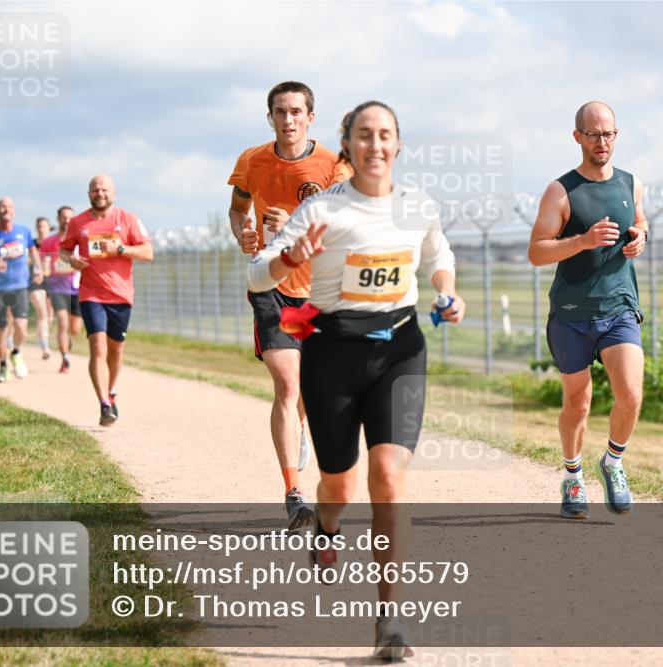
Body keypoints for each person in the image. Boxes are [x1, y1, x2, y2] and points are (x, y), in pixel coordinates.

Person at [248, 100, 464, 659]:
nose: (375, 145)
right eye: (363, 135)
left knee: (389, 475)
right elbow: (258, 272)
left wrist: (446, 289)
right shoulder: (322, 211)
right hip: (332, 352)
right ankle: (326, 525)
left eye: (385, 135)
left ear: (397, 145)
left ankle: (389, 621)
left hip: (400, 349)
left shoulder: (417, 205)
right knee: (340, 486)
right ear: (347, 145)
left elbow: (440, 253)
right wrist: (290, 255)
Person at [227, 80, 351, 530]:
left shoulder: (333, 165)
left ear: (310, 116)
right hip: (270, 284)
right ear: (270, 117)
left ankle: (299, 428)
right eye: (280, 111)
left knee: (307, 390)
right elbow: (238, 208)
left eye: (296, 111)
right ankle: (294, 493)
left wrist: (298, 225)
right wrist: (243, 232)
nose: (288, 119)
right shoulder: (252, 160)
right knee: (286, 384)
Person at [527, 101, 648, 519]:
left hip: (619, 307)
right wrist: (582, 240)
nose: (602, 142)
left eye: (609, 133)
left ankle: (613, 463)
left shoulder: (632, 183)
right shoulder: (561, 191)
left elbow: (641, 220)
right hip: (572, 313)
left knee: (631, 394)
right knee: (577, 402)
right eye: (594, 134)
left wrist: (641, 237)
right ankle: (572, 476)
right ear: (577, 137)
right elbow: (537, 251)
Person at [61, 174, 153, 426]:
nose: (99, 193)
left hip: (121, 295)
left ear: (113, 193)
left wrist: (121, 249)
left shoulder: (128, 220)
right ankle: (103, 405)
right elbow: (64, 249)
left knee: (115, 350)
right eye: (94, 189)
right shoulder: (78, 222)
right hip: (91, 293)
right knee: (98, 347)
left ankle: (111, 391)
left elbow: (148, 252)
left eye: (104, 189)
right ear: (88, 193)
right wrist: (71, 260)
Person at [0, 197, 42, 382]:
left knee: (21, 326)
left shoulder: (23, 231)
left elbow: (33, 252)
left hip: (20, 286)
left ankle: (16, 352)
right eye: (2, 207)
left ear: (14, 211)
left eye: (9, 207)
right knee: (0, 329)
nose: (6, 209)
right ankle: (3, 365)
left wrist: (38, 269)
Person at [41, 206, 81, 373]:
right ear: (58, 219)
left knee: (75, 329)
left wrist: (72, 266)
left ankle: (66, 342)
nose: (67, 221)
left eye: (70, 217)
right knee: (62, 323)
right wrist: (47, 272)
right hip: (57, 288)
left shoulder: (80, 240)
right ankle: (65, 357)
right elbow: (45, 265)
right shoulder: (49, 242)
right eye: (63, 217)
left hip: (77, 288)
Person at [30, 216, 54, 359]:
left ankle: (41, 336)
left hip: (52, 282)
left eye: (44, 226)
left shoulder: (54, 243)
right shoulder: (32, 244)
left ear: (49, 228)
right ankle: (45, 347)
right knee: (42, 311)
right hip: (36, 282)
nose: (41, 229)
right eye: (39, 226)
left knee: (49, 316)